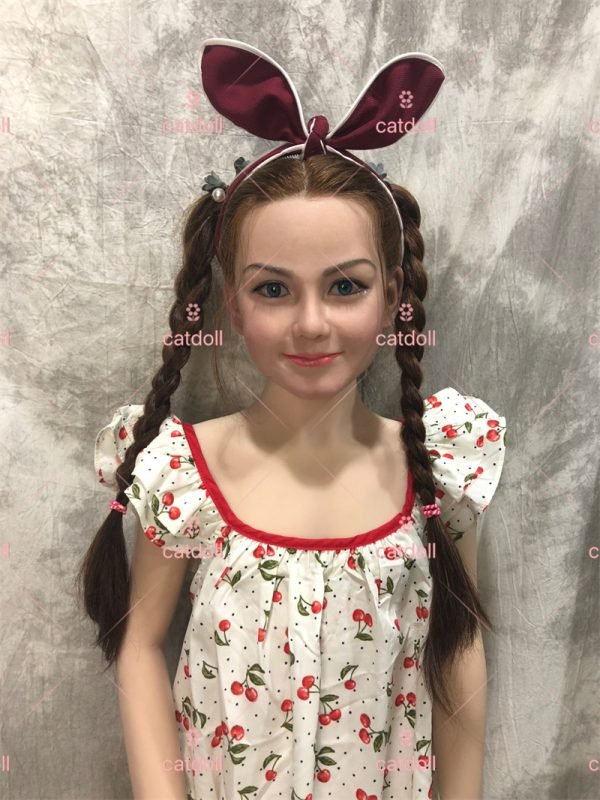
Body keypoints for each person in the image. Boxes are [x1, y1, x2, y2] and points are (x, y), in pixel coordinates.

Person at [79, 40, 507, 800]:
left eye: (345, 286)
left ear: (392, 295)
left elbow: (457, 650)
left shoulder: (440, 469)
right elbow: (139, 648)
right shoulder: (184, 477)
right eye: (273, 290)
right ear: (232, 303)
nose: (311, 324)